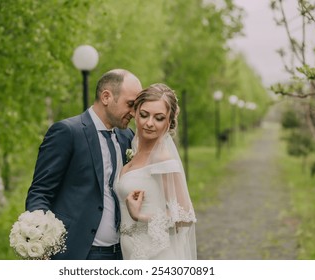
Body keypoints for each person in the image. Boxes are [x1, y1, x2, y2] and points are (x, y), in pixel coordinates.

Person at [25, 69, 142, 260]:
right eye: (130, 104)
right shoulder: (67, 132)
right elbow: (40, 192)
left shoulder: (127, 137)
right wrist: (39, 236)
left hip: (122, 253)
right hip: (77, 253)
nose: (133, 113)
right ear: (106, 97)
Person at [114, 83, 197, 260]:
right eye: (144, 115)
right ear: (135, 113)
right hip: (130, 253)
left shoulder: (163, 159)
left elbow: (186, 215)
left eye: (159, 118)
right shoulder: (132, 152)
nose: (149, 123)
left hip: (156, 255)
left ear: (169, 122)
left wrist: (140, 216)